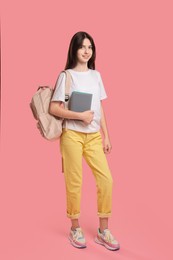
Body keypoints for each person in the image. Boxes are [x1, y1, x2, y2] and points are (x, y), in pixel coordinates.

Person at [49, 31, 120, 251]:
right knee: (74, 182)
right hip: (72, 134)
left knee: (106, 179)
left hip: (93, 137)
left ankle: (103, 231)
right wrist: (80, 116)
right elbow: (53, 107)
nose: (86, 51)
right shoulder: (66, 76)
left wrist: (106, 135)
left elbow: (100, 108)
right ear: (74, 49)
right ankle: (75, 227)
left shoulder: (96, 76)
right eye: (82, 47)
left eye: (90, 47)